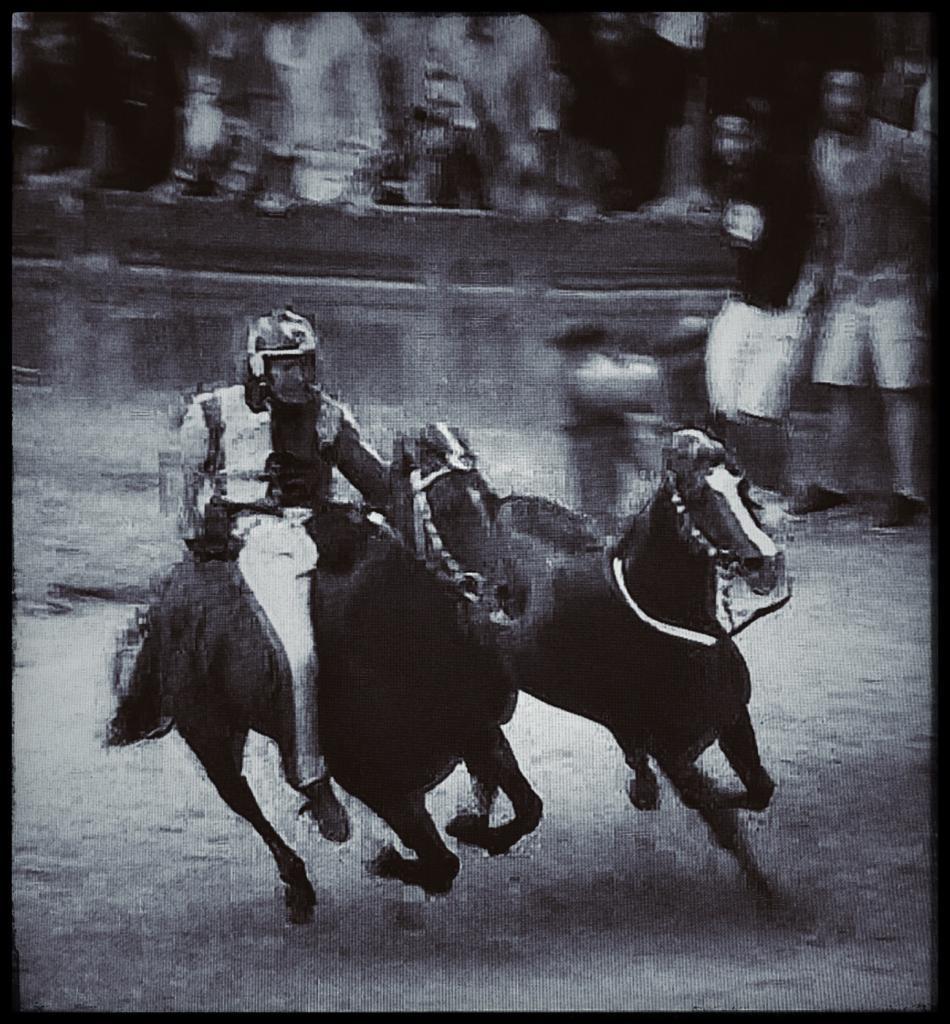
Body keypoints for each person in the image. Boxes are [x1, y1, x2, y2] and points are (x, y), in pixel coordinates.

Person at [178, 309, 391, 841]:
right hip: (258, 536)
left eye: (304, 364)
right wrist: (204, 530)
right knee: (300, 654)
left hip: (323, 528)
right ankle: (310, 776)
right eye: (285, 366)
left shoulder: (327, 414)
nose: (298, 376)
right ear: (259, 368)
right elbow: (181, 492)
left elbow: (374, 480)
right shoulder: (212, 413)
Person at [789, 67, 931, 528]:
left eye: (852, 91)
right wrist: (822, 276)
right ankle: (833, 483)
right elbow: (829, 221)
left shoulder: (900, 146)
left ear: (866, 96)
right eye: (834, 91)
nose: (843, 100)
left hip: (896, 282)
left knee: (900, 390)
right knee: (840, 386)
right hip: (849, 286)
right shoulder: (822, 149)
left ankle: (909, 491)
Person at [703, 98, 816, 495]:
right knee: (724, 402)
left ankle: (775, 489)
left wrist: (803, 298)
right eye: (723, 135)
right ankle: (741, 490)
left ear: (757, 137)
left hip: (782, 309)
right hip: (742, 304)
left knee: (761, 408)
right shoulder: (730, 182)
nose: (730, 144)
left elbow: (811, 241)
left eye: (740, 135)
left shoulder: (786, 179)